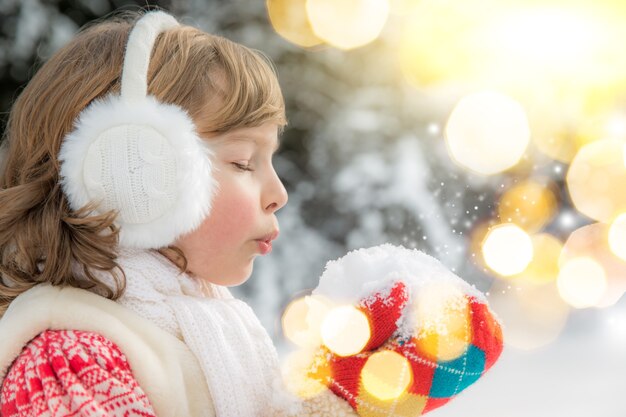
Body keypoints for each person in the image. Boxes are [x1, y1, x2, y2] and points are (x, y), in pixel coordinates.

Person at [0, 8, 358, 417]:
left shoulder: (214, 335)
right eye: (243, 161)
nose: (279, 194)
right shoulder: (69, 362)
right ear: (129, 175)